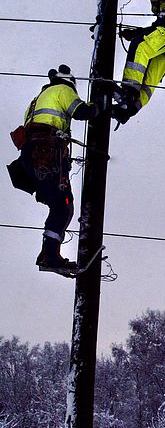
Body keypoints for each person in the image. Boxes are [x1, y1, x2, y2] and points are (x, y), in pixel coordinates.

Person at [7, 65, 108, 276]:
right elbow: (82, 112)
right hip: (46, 152)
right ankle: (50, 256)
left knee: (59, 205)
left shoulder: (38, 98)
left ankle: (49, 254)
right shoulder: (63, 90)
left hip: (31, 155)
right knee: (63, 207)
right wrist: (101, 105)